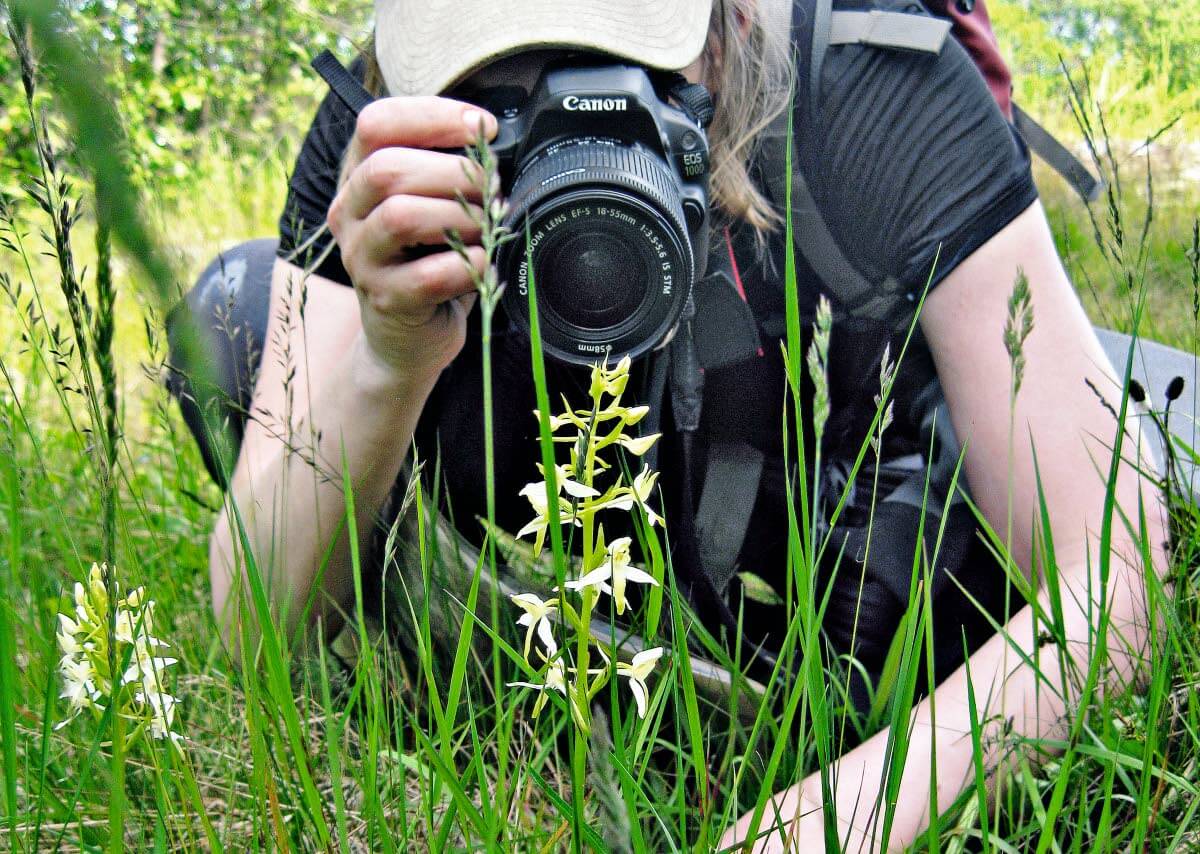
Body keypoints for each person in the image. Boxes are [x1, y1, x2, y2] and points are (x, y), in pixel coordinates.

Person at [195, 0, 1168, 848]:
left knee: (1121, 445)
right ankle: (521, 645)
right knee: (233, 321)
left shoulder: (872, 80)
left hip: (839, 502)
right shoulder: (385, 142)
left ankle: (840, 672)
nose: (563, 122)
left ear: (725, 23)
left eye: (624, 66)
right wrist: (386, 353)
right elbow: (253, 627)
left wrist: (831, 822)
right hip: (543, 483)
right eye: (496, 84)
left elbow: (1117, 571)